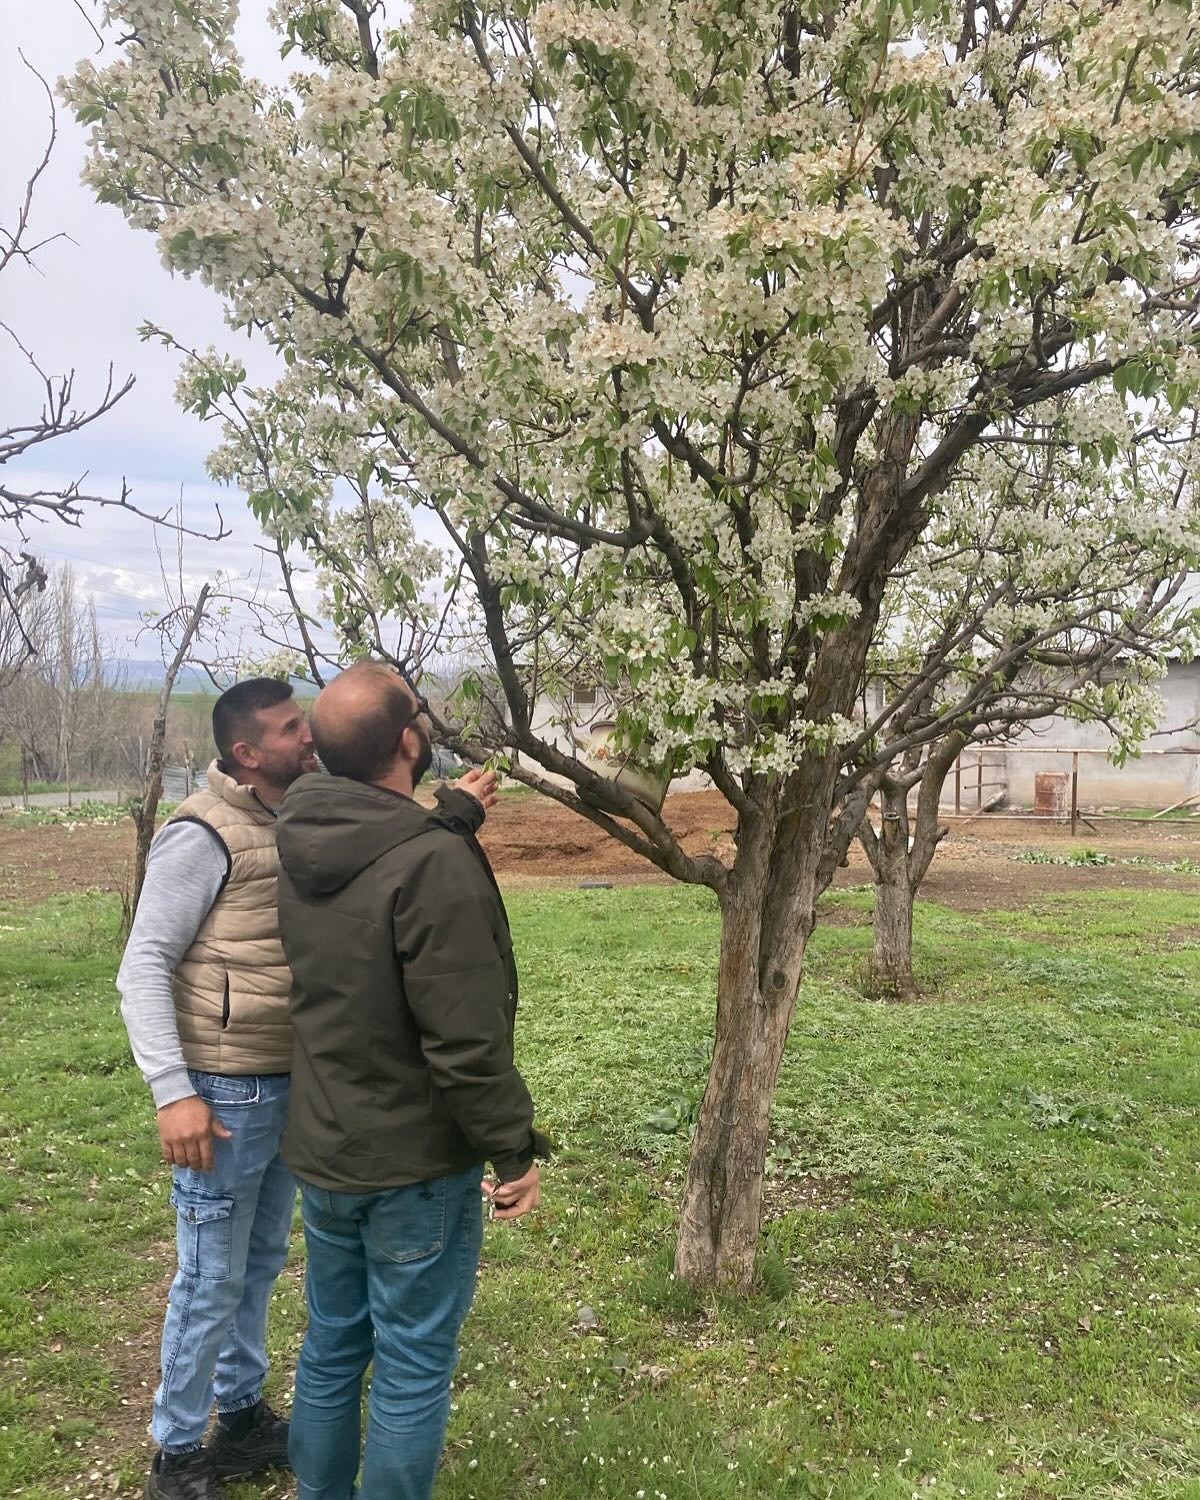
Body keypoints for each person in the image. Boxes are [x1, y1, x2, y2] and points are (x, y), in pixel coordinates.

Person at [275, 662, 549, 1500]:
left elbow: (383, 853)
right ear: (406, 740)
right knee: (412, 1362)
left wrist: (453, 817)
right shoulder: (430, 865)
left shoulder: (305, 832)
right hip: (412, 1167)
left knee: (331, 1343)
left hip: (326, 1148)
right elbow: (464, 1045)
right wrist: (513, 1150)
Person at [117, 678, 316, 1500]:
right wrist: (174, 1091)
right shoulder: (202, 834)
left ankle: (236, 1414)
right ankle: (176, 1451)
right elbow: (143, 965)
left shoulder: (287, 817)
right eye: (291, 728)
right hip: (222, 1096)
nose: (309, 737)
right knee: (208, 1276)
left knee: (259, 1262)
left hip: (283, 1085)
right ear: (247, 752)